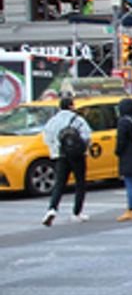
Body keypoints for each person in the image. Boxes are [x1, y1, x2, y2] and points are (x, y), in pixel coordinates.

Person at [40, 95, 92, 226]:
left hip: (60, 156)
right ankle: (76, 212)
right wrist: (83, 149)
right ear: (71, 106)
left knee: (59, 184)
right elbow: (87, 136)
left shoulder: (52, 121)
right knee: (80, 183)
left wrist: (55, 150)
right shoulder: (78, 119)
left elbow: (46, 138)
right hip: (78, 156)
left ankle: (52, 209)